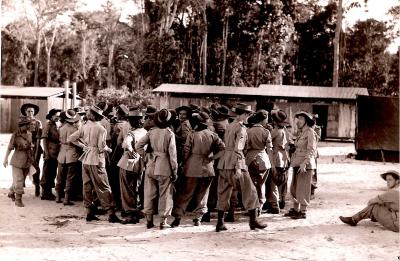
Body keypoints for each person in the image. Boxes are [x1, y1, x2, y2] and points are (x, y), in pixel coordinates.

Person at [215, 103, 267, 232]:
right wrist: (238, 167)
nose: (249, 117)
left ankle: (220, 223)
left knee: (223, 192)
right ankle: (253, 221)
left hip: (224, 162)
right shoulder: (241, 128)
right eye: (248, 114)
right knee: (251, 191)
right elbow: (238, 149)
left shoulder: (230, 126)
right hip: (236, 163)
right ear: (243, 114)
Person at [67, 105, 121, 223]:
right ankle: (111, 214)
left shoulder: (84, 126)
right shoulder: (101, 129)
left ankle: (89, 213)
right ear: (99, 117)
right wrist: (109, 150)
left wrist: (83, 146)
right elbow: (102, 147)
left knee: (87, 186)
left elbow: (70, 139)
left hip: (86, 159)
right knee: (103, 186)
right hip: (97, 159)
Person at [170, 112, 225, 227]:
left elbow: (186, 151)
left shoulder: (192, 135)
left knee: (186, 193)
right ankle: (198, 218)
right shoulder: (212, 135)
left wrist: (182, 163)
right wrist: (212, 157)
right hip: (208, 168)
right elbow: (223, 149)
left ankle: (178, 217)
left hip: (192, 168)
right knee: (203, 194)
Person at [136, 109, 178, 229]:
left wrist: (146, 156)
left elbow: (138, 146)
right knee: (165, 195)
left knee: (149, 193)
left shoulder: (151, 132)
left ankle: (149, 220)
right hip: (164, 167)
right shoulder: (170, 133)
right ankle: (163, 222)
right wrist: (175, 171)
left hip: (151, 165)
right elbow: (173, 155)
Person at [284, 111, 317, 219]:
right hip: (297, 163)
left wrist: (304, 163)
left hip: (305, 165)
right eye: (298, 119)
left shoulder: (310, 132)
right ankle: (295, 209)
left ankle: (303, 212)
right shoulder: (301, 132)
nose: (298, 121)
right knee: (294, 188)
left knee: (303, 188)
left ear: (306, 121)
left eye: (301, 119)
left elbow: (311, 149)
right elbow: (299, 147)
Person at [117, 108, 147, 224]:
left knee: (126, 188)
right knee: (137, 187)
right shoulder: (145, 132)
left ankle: (129, 211)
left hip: (127, 163)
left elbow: (125, 143)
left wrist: (130, 149)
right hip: (140, 163)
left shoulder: (131, 133)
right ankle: (137, 208)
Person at [246, 110, 273, 215]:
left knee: (251, 185)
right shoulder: (266, 132)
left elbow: (244, 148)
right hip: (263, 160)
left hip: (249, 160)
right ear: (264, 119)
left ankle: (252, 208)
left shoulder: (248, 131)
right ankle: (260, 207)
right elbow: (269, 149)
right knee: (261, 185)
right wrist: (272, 163)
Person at [3, 117, 35, 207]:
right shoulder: (15, 135)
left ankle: (11, 192)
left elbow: (30, 147)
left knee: (20, 180)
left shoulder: (29, 134)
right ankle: (18, 200)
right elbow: (10, 148)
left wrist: (32, 157)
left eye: (29, 124)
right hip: (17, 161)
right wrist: (5, 159)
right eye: (27, 125)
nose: (29, 126)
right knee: (19, 179)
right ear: (22, 126)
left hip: (27, 160)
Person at [55, 109, 80, 205]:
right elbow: (77, 142)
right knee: (70, 177)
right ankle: (66, 199)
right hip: (72, 154)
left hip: (62, 153)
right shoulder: (75, 130)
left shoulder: (60, 128)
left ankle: (57, 196)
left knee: (60, 176)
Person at [270, 109, 290, 210]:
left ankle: (275, 203)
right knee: (283, 180)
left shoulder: (275, 131)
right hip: (284, 156)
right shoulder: (285, 131)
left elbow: (267, 141)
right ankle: (282, 200)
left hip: (276, 156)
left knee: (274, 181)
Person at [21, 103, 42, 197]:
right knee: (22, 166)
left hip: (35, 148)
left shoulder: (38, 123)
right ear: (25, 112)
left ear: (34, 112)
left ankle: (37, 186)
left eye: (32, 111)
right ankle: (20, 186)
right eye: (28, 111)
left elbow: (38, 139)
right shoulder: (21, 122)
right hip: (24, 148)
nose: (30, 113)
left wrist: (36, 151)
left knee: (36, 167)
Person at [41, 108, 61, 200]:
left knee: (52, 172)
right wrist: (46, 153)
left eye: (58, 116)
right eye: (56, 116)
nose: (57, 117)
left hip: (55, 153)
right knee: (47, 172)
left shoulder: (56, 125)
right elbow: (44, 139)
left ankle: (48, 192)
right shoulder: (48, 125)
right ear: (51, 116)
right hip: (50, 151)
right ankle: (45, 193)